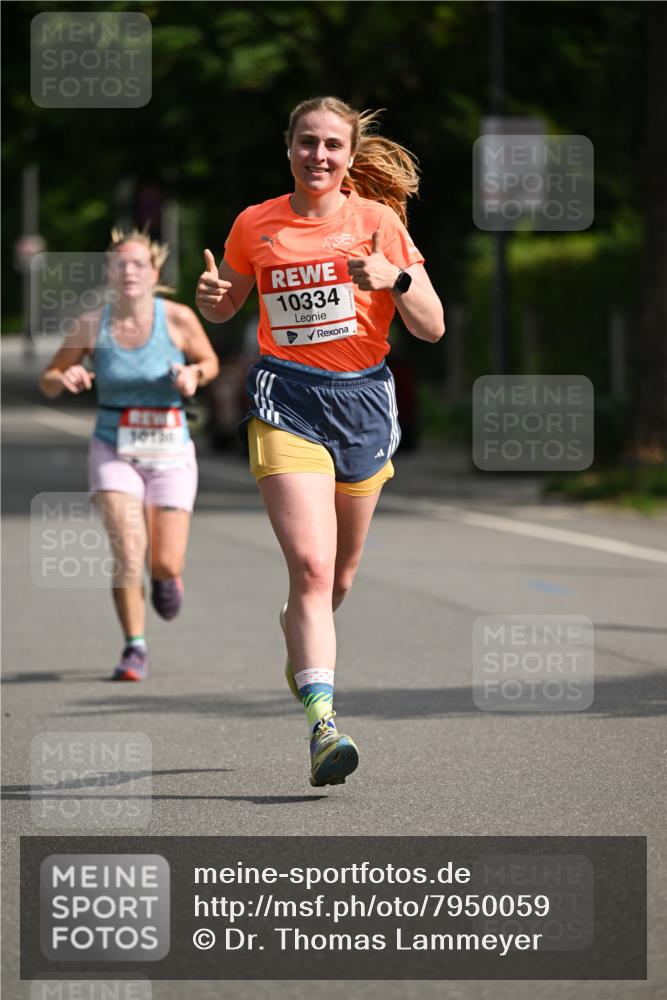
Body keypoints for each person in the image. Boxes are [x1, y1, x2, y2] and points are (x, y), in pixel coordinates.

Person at [196, 96, 444, 786]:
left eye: (332, 145)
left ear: (348, 153)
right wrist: (215, 301)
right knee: (309, 564)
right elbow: (228, 302)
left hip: (364, 403)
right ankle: (323, 723)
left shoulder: (377, 223)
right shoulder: (256, 223)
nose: (319, 156)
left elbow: (431, 326)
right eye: (307, 143)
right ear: (289, 147)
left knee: (337, 577)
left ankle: (298, 640)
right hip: (286, 399)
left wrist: (392, 278)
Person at [39, 229, 219, 681]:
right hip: (113, 447)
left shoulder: (176, 319)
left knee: (163, 561)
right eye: (120, 264)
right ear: (109, 273)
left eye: (139, 264)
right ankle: (134, 647)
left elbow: (210, 362)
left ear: (155, 272)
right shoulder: (90, 324)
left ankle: (166, 577)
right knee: (128, 548)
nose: (129, 271)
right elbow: (49, 377)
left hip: (171, 448)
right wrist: (66, 377)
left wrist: (193, 375)